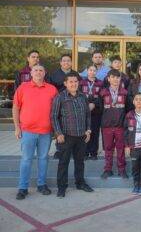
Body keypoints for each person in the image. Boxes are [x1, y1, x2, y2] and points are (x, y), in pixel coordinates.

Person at [12, 64, 58, 200]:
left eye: (41, 70)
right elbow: (15, 108)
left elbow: (56, 112)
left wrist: (55, 130)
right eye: (36, 70)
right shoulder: (22, 88)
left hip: (46, 132)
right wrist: (17, 127)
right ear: (31, 73)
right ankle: (22, 188)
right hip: (27, 131)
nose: (38, 72)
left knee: (43, 158)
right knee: (26, 159)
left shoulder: (52, 89)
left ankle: (42, 184)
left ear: (45, 73)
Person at [51, 72, 94, 198]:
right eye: (71, 82)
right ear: (65, 83)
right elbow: (53, 117)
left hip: (81, 135)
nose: (74, 84)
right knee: (63, 162)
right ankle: (61, 187)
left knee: (80, 161)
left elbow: (88, 115)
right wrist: (58, 133)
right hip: (66, 135)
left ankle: (80, 183)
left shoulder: (83, 97)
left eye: (75, 81)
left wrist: (88, 130)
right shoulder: (60, 97)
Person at [100, 69, 131, 179]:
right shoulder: (103, 93)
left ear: (120, 79)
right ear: (108, 79)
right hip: (107, 126)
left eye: (117, 77)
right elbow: (100, 109)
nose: (115, 79)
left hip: (120, 126)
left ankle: (121, 169)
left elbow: (129, 110)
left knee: (120, 148)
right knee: (108, 149)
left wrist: (125, 124)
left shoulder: (125, 93)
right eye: (113, 77)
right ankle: (108, 169)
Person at [49, 54, 80, 159]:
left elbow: (78, 89)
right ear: (60, 62)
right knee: (59, 127)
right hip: (59, 103)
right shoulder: (54, 75)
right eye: (64, 61)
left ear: (71, 62)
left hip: (73, 104)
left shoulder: (75, 74)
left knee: (72, 128)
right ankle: (59, 149)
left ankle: (72, 150)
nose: (66, 62)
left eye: (68, 61)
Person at [79, 65, 104, 160]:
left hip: (96, 112)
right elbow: (79, 95)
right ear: (87, 71)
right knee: (84, 132)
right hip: (84, 112)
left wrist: (94, 104)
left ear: (96, 72)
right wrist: (87, 105)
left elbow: (102, 96)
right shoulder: (81, 83)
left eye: (94, 70)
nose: (92, 72)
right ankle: (85, 152)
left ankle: (94, 153)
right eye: (90, 70)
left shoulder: (101, 83)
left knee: (95, 132)